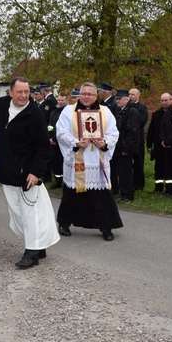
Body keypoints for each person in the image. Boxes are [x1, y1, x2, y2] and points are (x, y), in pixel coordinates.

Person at [0, 77, 60, 269]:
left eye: (27, 92)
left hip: (27, 175)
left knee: (30, 213)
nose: (24, 96)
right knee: (17, 214)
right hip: (7, 173)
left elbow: (43, 148)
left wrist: (35, 172)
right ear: (11, 92)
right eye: (20, 92)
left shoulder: (35, 114)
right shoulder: (0, 106)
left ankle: (32, 253)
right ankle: (39, 246)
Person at [56, 82, 123, 241]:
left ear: (96, 96)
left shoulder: (105, 111)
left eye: (90, 94)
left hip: (97, 159)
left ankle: (106, 227)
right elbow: (61, 132)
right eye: (84, 93)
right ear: (80, 94)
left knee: (102, 195)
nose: (87, 97)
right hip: (78, 159)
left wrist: (105, 143)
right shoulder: (68, 111)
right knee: (72, 192)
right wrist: (76, 143)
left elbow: (114, 133)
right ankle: (64, 223)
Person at [111, 89, 141, 202]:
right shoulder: (120, 111)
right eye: (116, 99)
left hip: (125, 148)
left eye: (120, 99)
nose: (117, 101)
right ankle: (120, 191)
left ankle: (128, 194)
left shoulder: (132, 111)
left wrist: (127, 148)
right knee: (120, 171)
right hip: (118, 146)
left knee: (126, 172)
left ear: (126, 99)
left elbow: (132, 132)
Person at [146, 93, 171, 193]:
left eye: (166, 100)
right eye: (162, 101)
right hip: (157, 146)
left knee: (169, 168)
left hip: (169, 146)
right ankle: (158, 188)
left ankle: (169, 189)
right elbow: (151, 130)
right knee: (158, 168)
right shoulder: (156, 114)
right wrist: (149, 145)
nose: (164, 102)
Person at [128, 88, 148, 191]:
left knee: (138, 163)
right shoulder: (125, 108)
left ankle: (139, 185)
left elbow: (140, 122)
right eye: (129, 94)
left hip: (138, 140)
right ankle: (129, 183)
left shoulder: (142, 108)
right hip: (128, 141)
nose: (130, 96)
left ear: (138, 97)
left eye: (133, 94)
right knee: (128, 164)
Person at [48, 93, 68, 189]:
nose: (60, 102)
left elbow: (64, 128)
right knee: (55, 162)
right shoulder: (53, 112)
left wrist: (56, 139)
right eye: (59, 100)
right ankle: (57, 181)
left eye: (62, 100)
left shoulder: (67, 112)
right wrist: (50, 137)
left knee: (63, 161)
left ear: (66, 100)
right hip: (53, 142)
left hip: (62, 142)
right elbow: (50, 126)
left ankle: (66, 182)